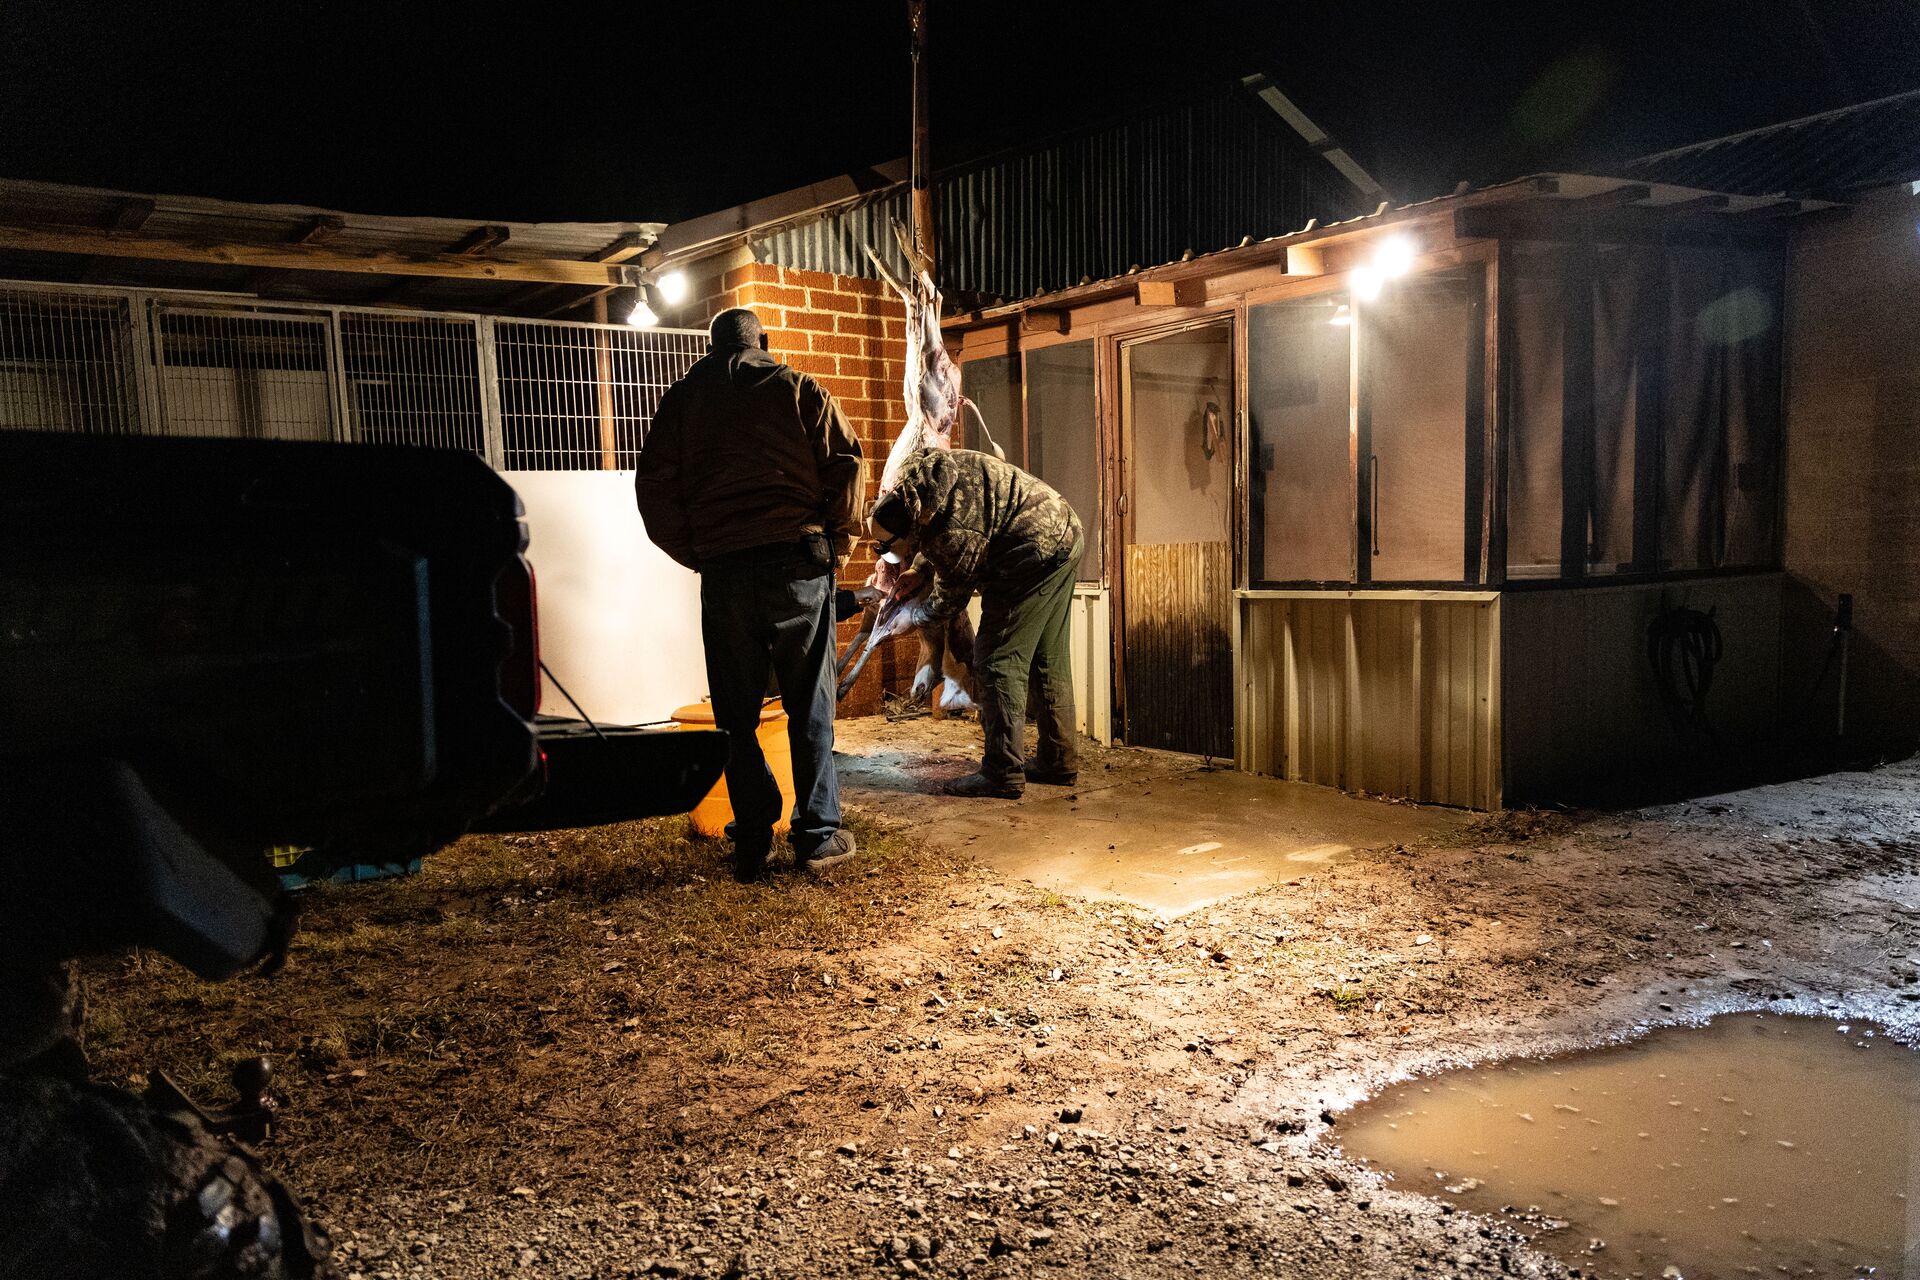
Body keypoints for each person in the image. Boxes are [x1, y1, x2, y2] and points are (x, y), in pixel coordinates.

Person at [636, 308, 864, 881]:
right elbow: (846, 465)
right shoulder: (799, 388)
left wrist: (700, 550)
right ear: (763, 340)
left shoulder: (683, 403)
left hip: (726, 574)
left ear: (712, 347)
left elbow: (654, 491)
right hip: (797, 564)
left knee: (735, 714)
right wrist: (835, 543)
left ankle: (752, 836)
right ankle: (816, 836)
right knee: (809, 703)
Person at [868, 447, 1083, 798]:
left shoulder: (951, 532)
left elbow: (952, 596)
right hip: (1063, 532)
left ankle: (1001, 773)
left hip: (1030, 553)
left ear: (905, 531)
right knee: (1047, 658)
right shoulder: (919, 484)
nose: (886, 556)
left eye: (888, 549)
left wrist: (912, 617)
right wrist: (919, 570)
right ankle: (1057, 760)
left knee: (996, 660)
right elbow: (935, 531)